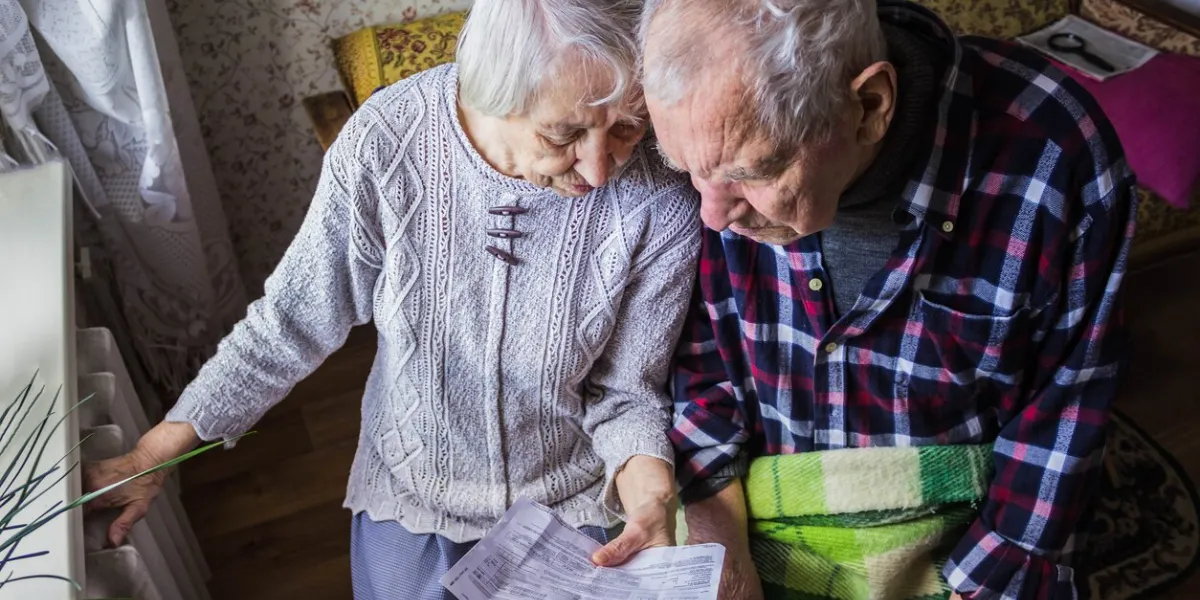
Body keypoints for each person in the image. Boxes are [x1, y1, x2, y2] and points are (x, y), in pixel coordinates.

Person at [83, 1, 701, 598]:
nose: (598, 170)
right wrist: (151, 454)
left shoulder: (660, 195)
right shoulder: (387, 144)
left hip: (571, 498)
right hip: (412, 492)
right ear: (496, 92)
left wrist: (651, 496)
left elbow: (625, 389)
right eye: (562, 134)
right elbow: (292, 320)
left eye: (626, 125)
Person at [640, 0, 1135, 598]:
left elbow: (1063, 417)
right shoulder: (712, 141)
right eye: (689, 171)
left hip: (964, 551)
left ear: (870, 106)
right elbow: (703, 365)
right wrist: (722, 550)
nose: (713, 216)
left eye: (753, 171)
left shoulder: (1055, 157)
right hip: (759, 523)